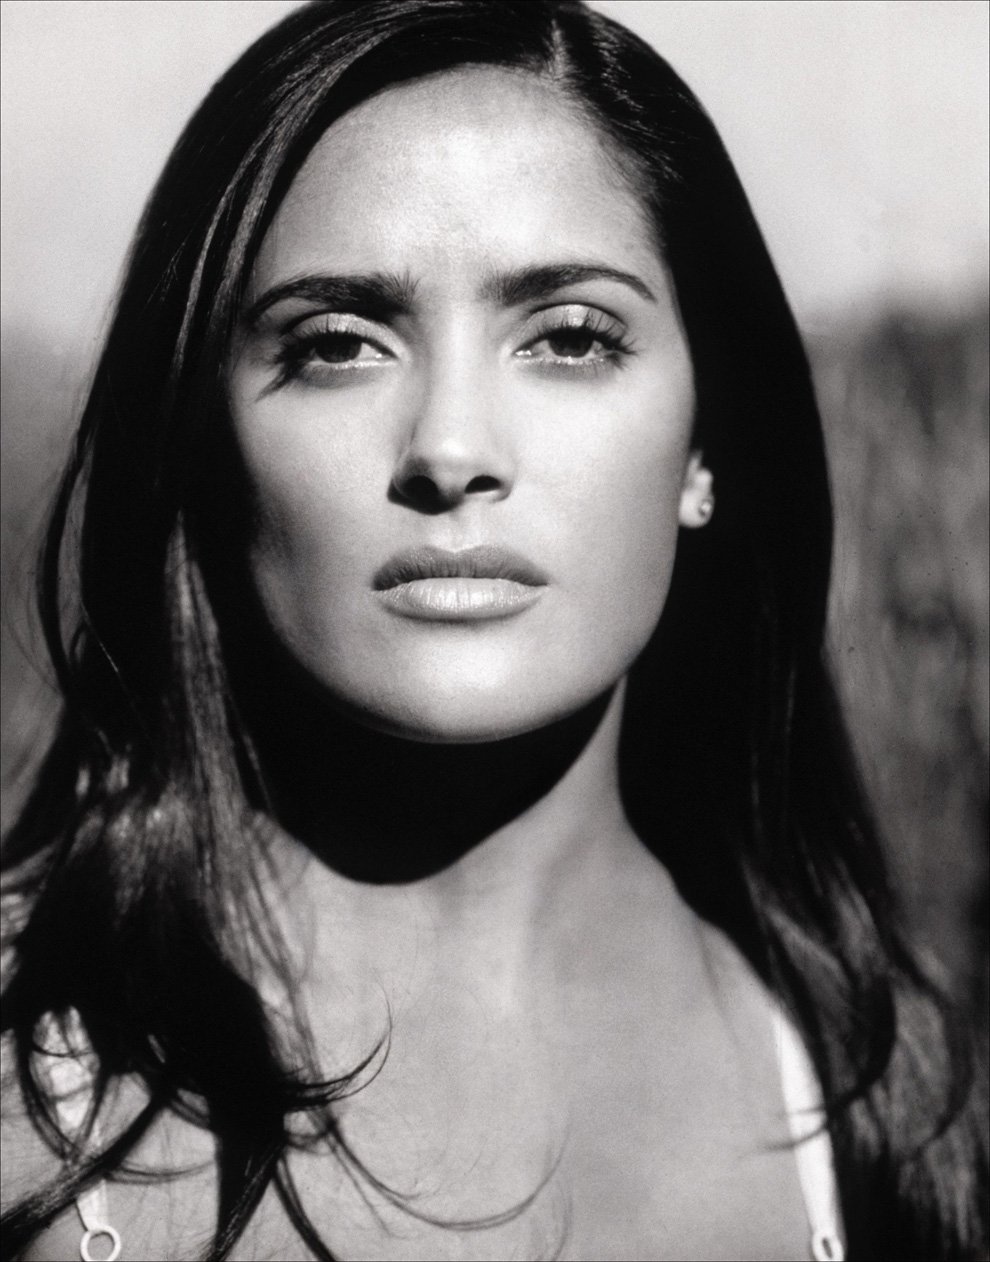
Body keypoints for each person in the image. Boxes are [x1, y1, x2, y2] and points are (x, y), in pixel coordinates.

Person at [1, 2, 985, 1259]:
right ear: (201, 442)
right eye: (338, 344)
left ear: (707, 442)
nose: (452, 448)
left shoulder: (872, 1088)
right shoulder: (27, 1079)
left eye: (569, 337)